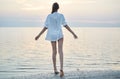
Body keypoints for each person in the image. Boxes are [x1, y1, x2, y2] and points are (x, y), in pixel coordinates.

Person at [35, 2, 78, 77]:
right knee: (60, 51)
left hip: (52, 35)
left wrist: (38, 35)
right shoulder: (61, 16)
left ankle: (55, 69)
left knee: (54, 52)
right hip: (59, 34)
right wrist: (73, 33)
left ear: (52, 8)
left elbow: (45, 27)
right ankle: (61, 68)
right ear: (58, 8)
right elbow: (65, 25)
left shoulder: (49, 16)